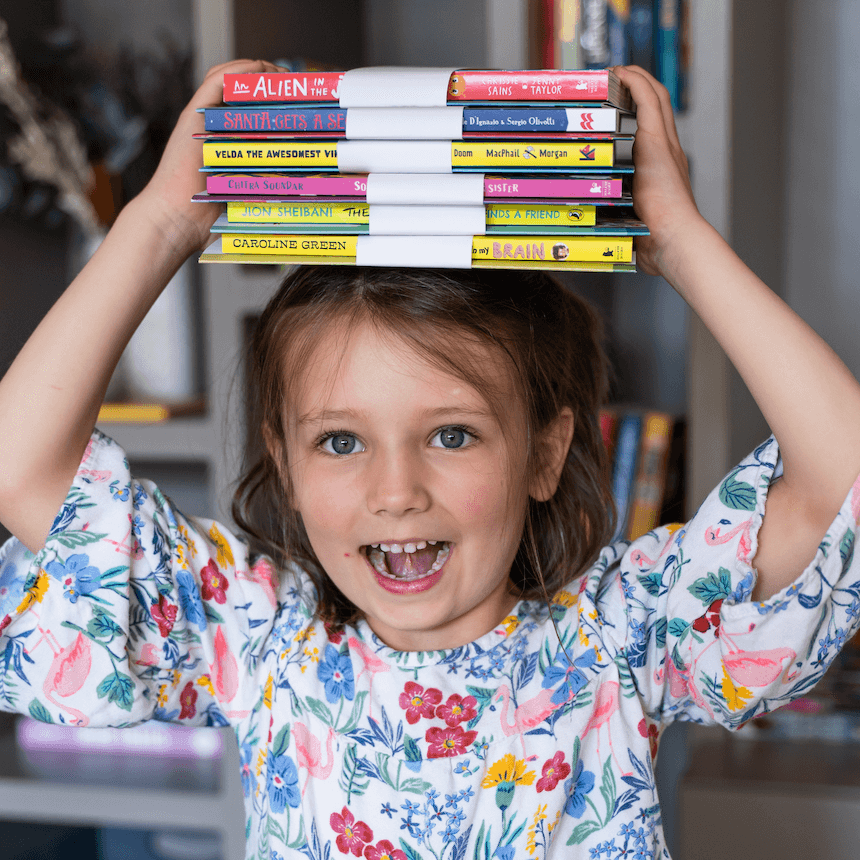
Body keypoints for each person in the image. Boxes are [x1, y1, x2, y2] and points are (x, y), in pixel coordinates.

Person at [1, 59, 859, 860]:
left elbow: (842, 476)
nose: (396, 491)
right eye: (341, 441)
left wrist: (678, 242)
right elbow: (21, 468)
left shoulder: (625, 636)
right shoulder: (257, 637)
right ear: (285, 463)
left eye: (452, 435)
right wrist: (159, 222)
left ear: (546, 453)